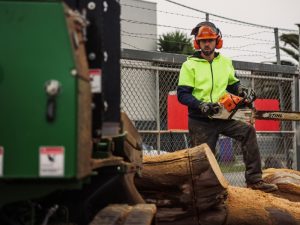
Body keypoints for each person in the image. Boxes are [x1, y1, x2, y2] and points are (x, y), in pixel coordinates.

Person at [177, 21, 278, 193]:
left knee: (247, 131)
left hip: (223, 115)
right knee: (203, 158)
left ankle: (254, 180)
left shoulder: (225, 62)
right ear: (197, 43)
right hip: (200, 119)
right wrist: (201, 105)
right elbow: (183, 94)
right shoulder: (189, 65)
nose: (207, 43)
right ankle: (204, 192)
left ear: (217, 42)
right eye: (203, 41)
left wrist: (243, 91)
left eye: (210, 40)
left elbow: (234, 84)